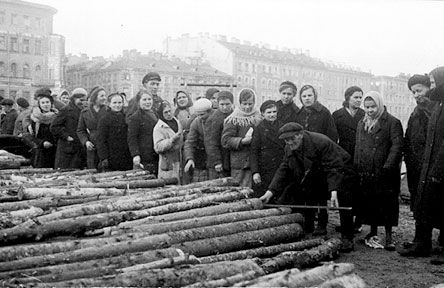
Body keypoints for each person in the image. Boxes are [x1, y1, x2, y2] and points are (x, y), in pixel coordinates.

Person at [260, 122, 355, 252]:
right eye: (286, 140)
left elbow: (334, 167)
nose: (289, 142)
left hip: (342, 170)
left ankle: (347, 237)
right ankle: (312, 227)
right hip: (319, 171)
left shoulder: (321, 142)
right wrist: (270, 192)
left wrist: (334, 190)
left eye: (292, 138)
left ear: (301, 135)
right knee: (308, 190)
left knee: (342, 199)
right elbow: (284, 169)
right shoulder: (289, 147)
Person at [401, 67, 444, 264]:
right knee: (422, 205)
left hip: (437, 167)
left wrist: (437, 168)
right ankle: (422, 242)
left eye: (422, 89)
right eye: (413, 92)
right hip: (423, 166)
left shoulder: (438, 107)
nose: (417, 95)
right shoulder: (422, 111)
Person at [354, 91, 403, 251]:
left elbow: (397, 146)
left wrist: (389, 166)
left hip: (385, 172)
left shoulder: (392, 122)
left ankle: (388, 237)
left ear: (380, 105)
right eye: (367, 107)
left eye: (373, 106)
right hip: (367, 170)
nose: (370, 110)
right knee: (371, 203)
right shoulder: (363, 122)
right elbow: (358, 146)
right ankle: (373, 233)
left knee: (387, 204)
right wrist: (357, 164)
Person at [295, 84, 338, 235]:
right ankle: (308, 223)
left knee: (320, 193)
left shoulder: (324, 113)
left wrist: (323, 153)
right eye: (304, 96)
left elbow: (332, 136)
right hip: (304, 158)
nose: (307, 99)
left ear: (315, 96)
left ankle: (322, 223)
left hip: (320, 158)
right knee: (307, 192)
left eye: (309, 95)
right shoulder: (299, 113)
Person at [332, 86, 365, 232]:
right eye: (355, 97)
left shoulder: (364, 114)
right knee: (344, 189)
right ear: (347, 98)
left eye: (360, 97)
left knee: (359, 190)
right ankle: (345, 221)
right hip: (343, 155)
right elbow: (333, 137)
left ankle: (357, 222)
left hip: (360, 155)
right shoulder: (337, 115)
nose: (358, 100)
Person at [403, 75, 434, 214]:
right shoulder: (415, 113)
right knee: (418, 202)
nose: (416, 95)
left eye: (419, 90)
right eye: (413, 92)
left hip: (431, 167)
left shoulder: (436, 111)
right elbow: (408, 137)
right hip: (415, 166)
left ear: (429, 88)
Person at [222, 88, 262, 187]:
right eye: (244, 104)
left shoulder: (258, 117)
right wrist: (242, 141)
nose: (247, 107)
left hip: (256, 162)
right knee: (240, 191)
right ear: (239, 103)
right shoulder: (233, 119)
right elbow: (225, 140)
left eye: (250, 103)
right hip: (239, 164)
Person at [250, 100, 285, 197]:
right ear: (262, 114)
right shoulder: (259, 128)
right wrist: (255, 172)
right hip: (264, 168)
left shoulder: (282, 127)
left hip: (279, 166)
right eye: (269, 112)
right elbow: (254, 151)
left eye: (274, 112)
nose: (272, 115)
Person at [50, 88, 88, 169]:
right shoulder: (65, 110)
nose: (83, 102)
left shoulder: (84, 111)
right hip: (67, 149)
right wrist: (67, 136)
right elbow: (54, 127)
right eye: (81, 100)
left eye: (85, 100)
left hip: (80, 148)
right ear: (74, 98)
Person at [96, 93, 132, 172]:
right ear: (109, 104)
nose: (117, 105)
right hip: (111, 156)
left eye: (119, 103)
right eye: (114, 103)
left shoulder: (126, 117)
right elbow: (101, 140)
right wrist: (104, 157)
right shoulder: (104, 119)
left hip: (125, 155)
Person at [127, 89, 159, 174]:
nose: (147, 102)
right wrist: (135, 154)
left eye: (149, 99)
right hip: (144, 154)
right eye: (144, 100)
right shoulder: (135, 117)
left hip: (155, 152)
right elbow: (132, 138)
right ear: (138, 102)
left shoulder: (155, 114)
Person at [183, 98, 214, 182]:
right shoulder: (196, 122)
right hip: (203, 160)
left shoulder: (218, 120)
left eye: (202, 114)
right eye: (198, 115)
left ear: (210, 111)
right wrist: (190, 158)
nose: (200, 117)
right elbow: (189, 142)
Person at [77, 86, 108, 169]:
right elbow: (80, 130)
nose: (104, 98)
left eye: (105, 95)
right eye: (101, 96)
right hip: (92, 145)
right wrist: (86, 141)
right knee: (92, 168)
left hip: (106, 144)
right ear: (95, 98)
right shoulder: (85, 112)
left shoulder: (108, 110)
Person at [206, 91, 234, 178]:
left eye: (227, 104)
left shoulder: (235, 116)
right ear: (218, 104)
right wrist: (217, 161)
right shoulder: (212, 119)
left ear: (232, 103)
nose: (225, 107)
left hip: (231, 158)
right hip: (218, 160)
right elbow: (211, 143)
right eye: (222, 104)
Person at [153, 101, 183, 182]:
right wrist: (171, 140)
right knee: (169, 184)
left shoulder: (177, 122)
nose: (169, 114)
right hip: (167, 162)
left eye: (170, 111)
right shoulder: (159, 127)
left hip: (179, 159)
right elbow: (157, 147)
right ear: (161, 114)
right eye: (165, 112)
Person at [29, 94, 57, 168]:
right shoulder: (34, 118)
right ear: (39, 105)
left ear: (51, 104)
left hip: (55, 151)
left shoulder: (57, 117)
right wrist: (42, 143)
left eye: (47, 102)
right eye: (43, 103)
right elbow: (32, 136)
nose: (45, 105)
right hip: (40, 152)